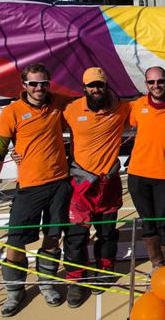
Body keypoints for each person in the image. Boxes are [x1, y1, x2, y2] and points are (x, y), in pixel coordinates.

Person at [0, 64, 72, 316]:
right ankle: (14, 292)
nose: (39, 88)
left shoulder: (59, 103)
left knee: (53, 238)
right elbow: (0, 149)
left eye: (44, 83)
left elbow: (90, 103)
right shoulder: (12, 112)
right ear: (24, 86)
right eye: (33, 84)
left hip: (59, 183)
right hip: (29, 187)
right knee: (16, 244)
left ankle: (47, 284)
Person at [62, 67, 131, 307]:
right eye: (91, 85)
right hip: (81, 185)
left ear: (106, 85)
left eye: (100, 85)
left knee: (107, 233)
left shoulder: (121, 108)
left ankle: (105, 270)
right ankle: (76, 280)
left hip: (108, 183)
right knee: (76, 237)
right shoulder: (71, 109)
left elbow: (149, 110)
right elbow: (43, 125)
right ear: (84, 87)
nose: (96, 89)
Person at [128, 66, 165, 271]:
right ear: (146, 85)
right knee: (148, 224)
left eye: (160, 81)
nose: (156, 86)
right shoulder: (138, 105)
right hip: (137, 176)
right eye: (151, 82)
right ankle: (158, 266)